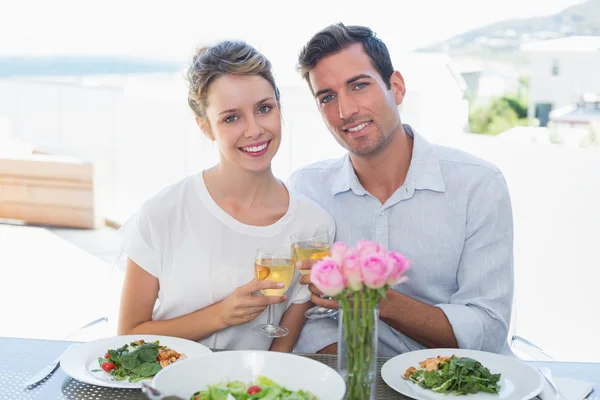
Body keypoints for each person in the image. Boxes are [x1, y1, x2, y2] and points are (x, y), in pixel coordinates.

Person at [287, 23, 514, 356]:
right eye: (327, 97)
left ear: (396, 87)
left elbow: (487, 325)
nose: (345, 111)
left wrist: (374, 297)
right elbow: (307, 314)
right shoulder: (307, 188)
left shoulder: (478, 185)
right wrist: (356, 379)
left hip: (459, 381)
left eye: (359, 85)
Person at [117, 40, 334, 352]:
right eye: (231, 117)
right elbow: (127, 336)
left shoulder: (312, 226)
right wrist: (220, 315)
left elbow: (279, 353)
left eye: (264, 108)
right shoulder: (163, 213)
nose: (255, 129)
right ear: (205, 127)